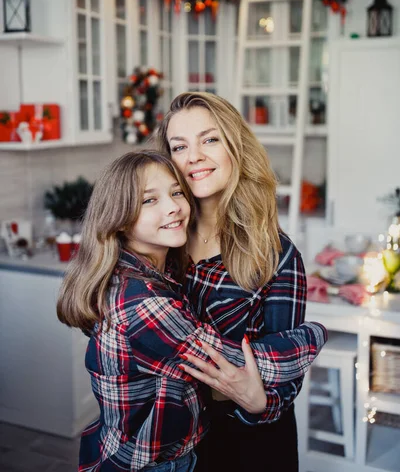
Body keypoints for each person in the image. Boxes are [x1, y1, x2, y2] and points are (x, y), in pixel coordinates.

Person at [57, 150, 325, 472]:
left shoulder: (154, 269)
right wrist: (315, 334)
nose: (173, 207)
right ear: (119, 218)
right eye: (149, 200)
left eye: (175, 192)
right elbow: (227, 363)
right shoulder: (142, 301)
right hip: (150, 464)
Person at [157, 92, 324, 472]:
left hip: (249, 445)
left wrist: (258, 399)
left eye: (209, 139)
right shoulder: (160, 241)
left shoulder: (276, 253)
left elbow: (286, 376)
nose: (193, 156)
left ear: (235, 146)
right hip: (172, 445)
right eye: (179, 146)